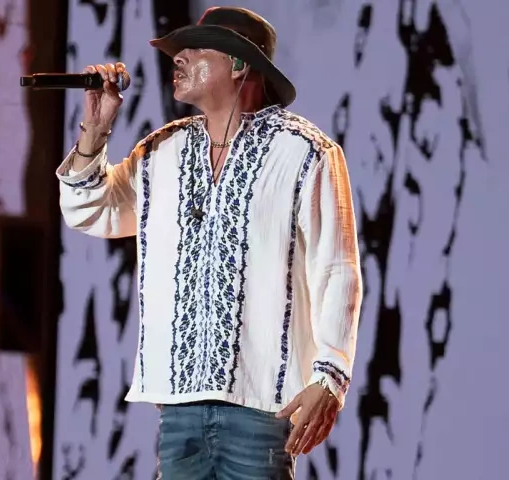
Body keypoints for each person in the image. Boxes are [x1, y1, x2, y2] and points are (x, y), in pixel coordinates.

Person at [57, 6, 362, 479]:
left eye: (196, 49)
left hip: (260, 407)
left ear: (239, 64)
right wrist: (94, 133)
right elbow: (90, 210)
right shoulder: (162, 150)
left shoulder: (306, 152)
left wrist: (330, 377)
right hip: (179, 408)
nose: (178, 58)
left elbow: (337, 270)